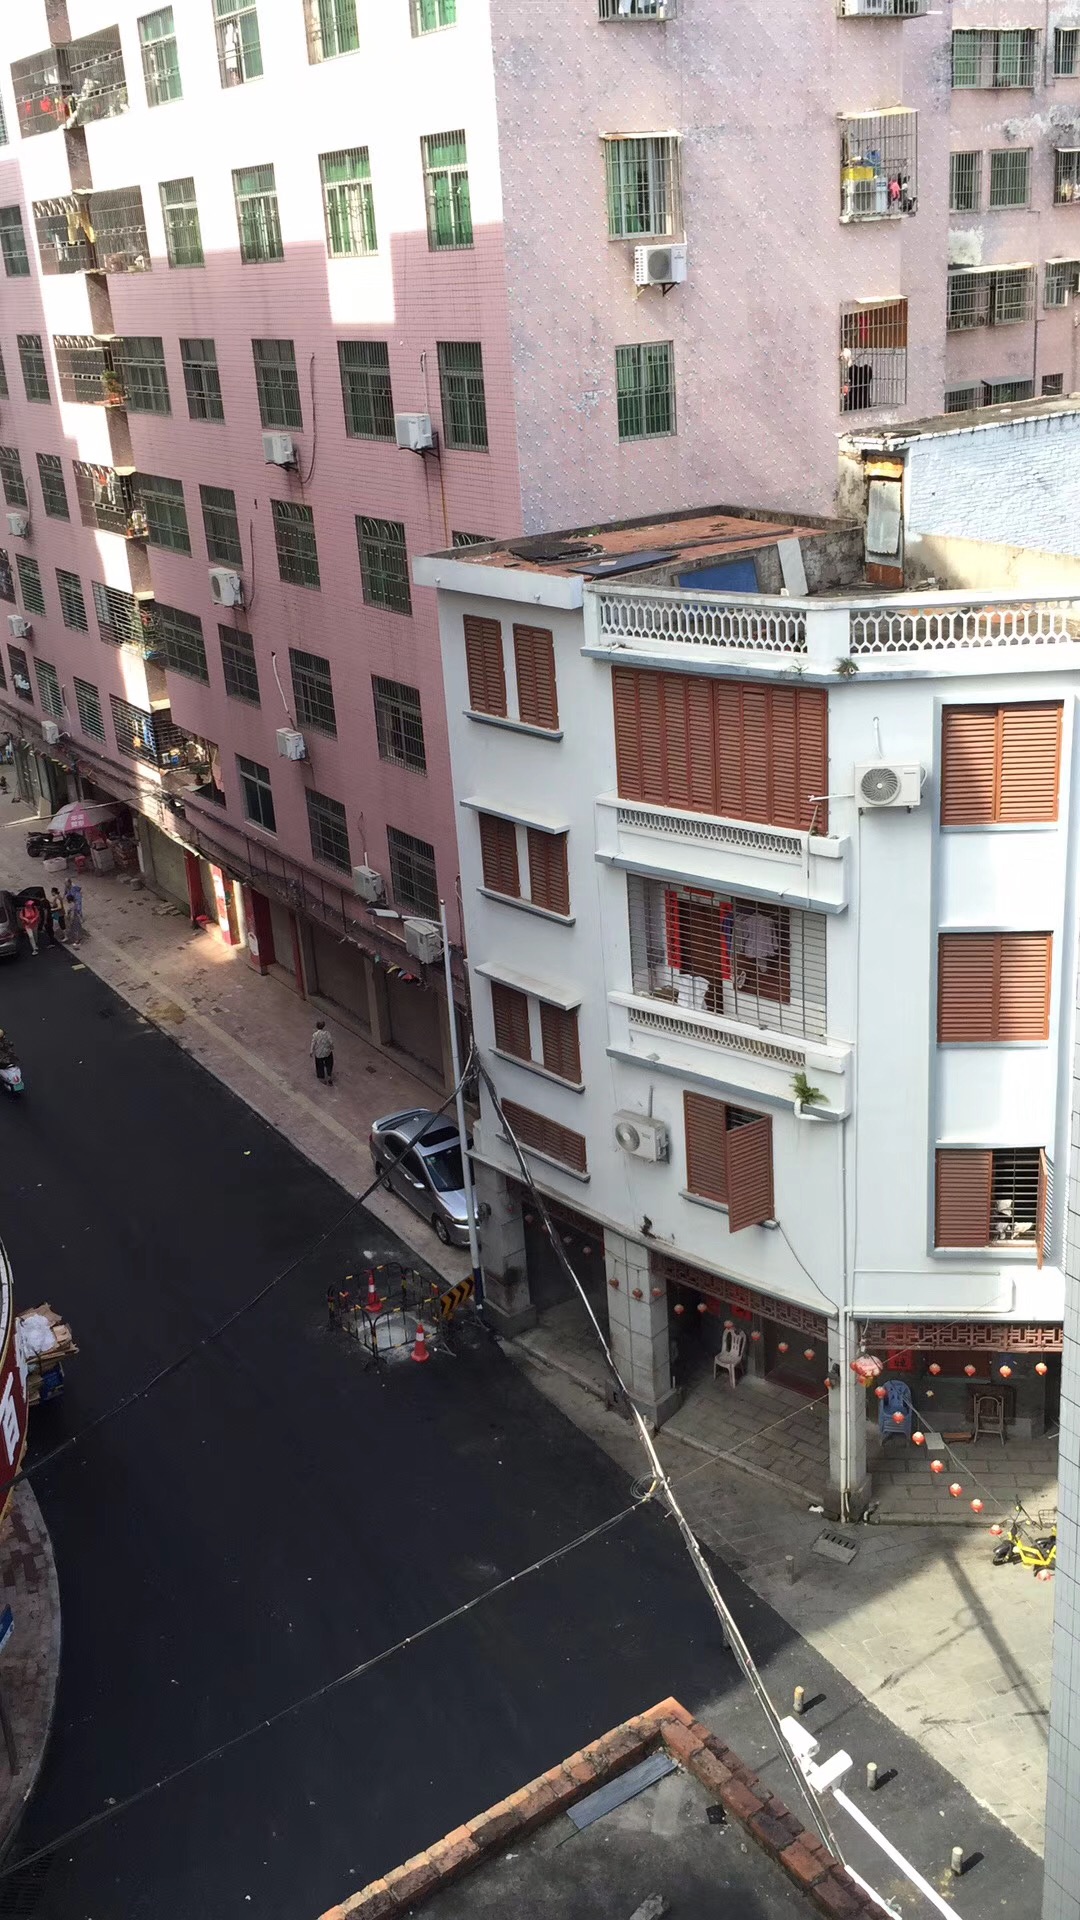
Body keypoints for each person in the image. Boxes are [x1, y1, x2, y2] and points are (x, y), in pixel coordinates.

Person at [310, 1018, 335, 1086]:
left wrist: (311, 1051)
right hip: (327, 1052)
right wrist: (332, 1047)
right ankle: (329, 1075)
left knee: (319, 1065)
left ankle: (322, 1078)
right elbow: (331, 1042)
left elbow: (313, 1043)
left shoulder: (315, 1035)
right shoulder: (327, 1033)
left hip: (319, 1053)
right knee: (329, 1063)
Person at [64, 880, 84, 947]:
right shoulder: (73, 904)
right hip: (76, 918)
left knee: (75, 930)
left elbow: (72, 913)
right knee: (78, 929)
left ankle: (77, 942)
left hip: (75, 919)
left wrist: (71, 920)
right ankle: (78, 939)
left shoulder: (72, 905)